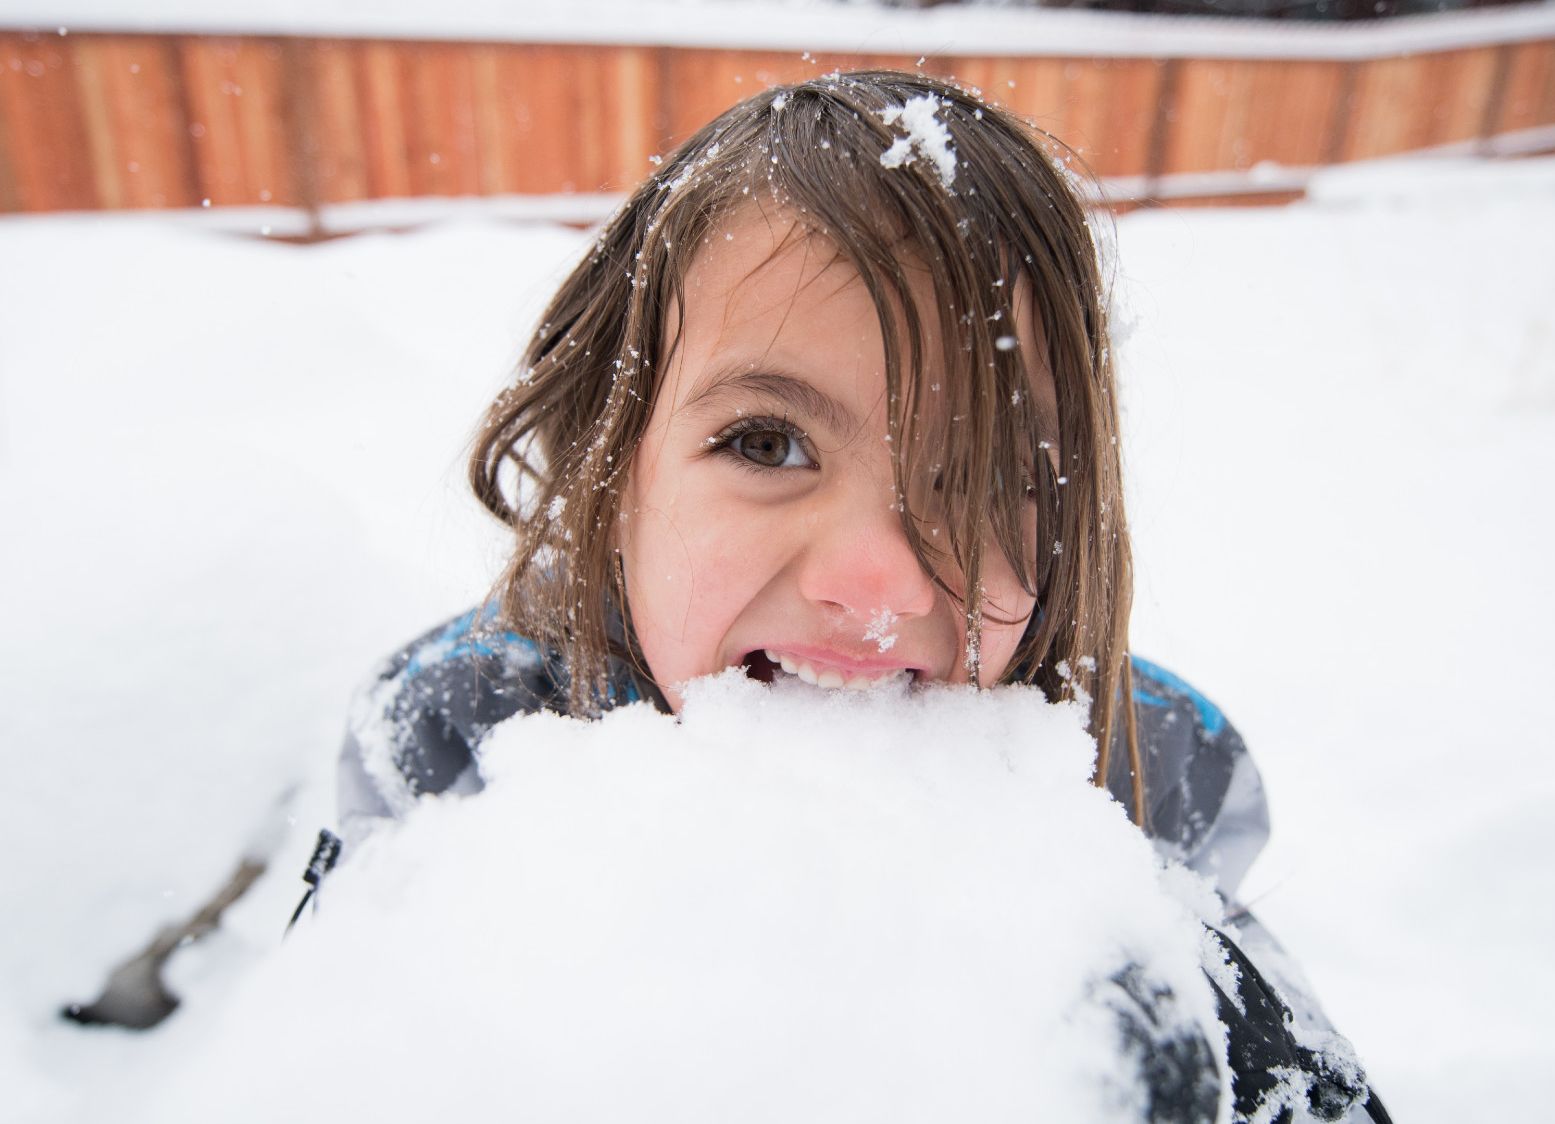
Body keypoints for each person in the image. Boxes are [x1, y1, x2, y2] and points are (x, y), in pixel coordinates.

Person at [331, 70, 1390, 1124]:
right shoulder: (459, 740)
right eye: (765, 444)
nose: (877, 583)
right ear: (614, 473)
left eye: (985, 474)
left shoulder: (1150, 772)